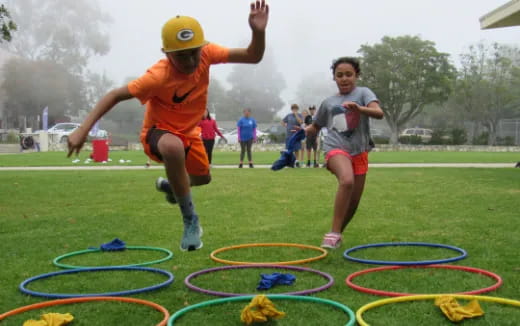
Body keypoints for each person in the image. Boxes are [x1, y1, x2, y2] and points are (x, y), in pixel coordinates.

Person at [67, 1, 269, 251]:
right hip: (157, 132)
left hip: (190, 134)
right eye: (181, 55)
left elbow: (253, 56)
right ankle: (190, 221)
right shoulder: (157, 77)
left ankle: (174, 186)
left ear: (202, 47)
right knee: (173, 148)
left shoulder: (207, 54)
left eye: (194, 52)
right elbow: (115, 95)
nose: (190, 60)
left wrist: (258, 32)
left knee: (203, 177)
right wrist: (82, 129)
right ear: (166, 53)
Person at [305, 57, 384, 249]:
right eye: (339, 75)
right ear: (334, 78)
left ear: (356, 75)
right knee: (346, 180)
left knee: (353, 202)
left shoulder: (364, 93)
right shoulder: (329, 102)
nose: (344, 79)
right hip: (335, 148)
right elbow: (315, 126)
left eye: (349, 74)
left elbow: (379, 113)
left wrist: (359, 108)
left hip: (359, 151)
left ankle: (337, 234)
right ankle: (332, 233)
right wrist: (301, 131)